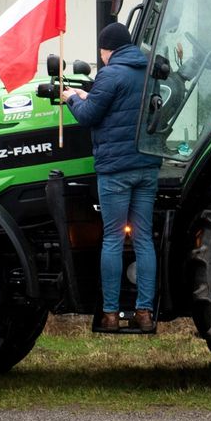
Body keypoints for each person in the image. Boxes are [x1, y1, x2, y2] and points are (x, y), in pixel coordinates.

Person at [61, 22, 162, 332]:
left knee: (114, 239)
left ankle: (110, 314)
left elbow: (90, 115)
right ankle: (144, 313)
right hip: (146, 167)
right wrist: (86, 93)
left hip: (116, 172)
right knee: (144, 239)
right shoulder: (149, 71)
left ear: (108, 50)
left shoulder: (110, 73)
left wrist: (71, 98)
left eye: (102, 53)